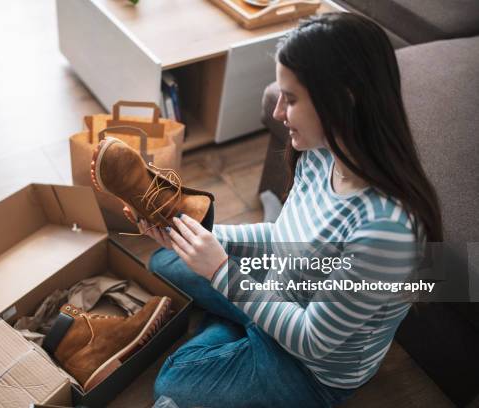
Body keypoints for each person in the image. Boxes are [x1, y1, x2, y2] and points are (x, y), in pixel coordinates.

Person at [140, 12, 443, 408]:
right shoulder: (320, 151)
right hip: (280, 289)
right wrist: (199, 235)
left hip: (311, 368)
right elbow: (286, 236)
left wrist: (220, 272)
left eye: (292, 98)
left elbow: (314, 342)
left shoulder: (385, 231)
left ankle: (238, 326)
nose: (279, 112)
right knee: (165, 257)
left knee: (172, 381)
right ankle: (242, 326)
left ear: (344, 101)